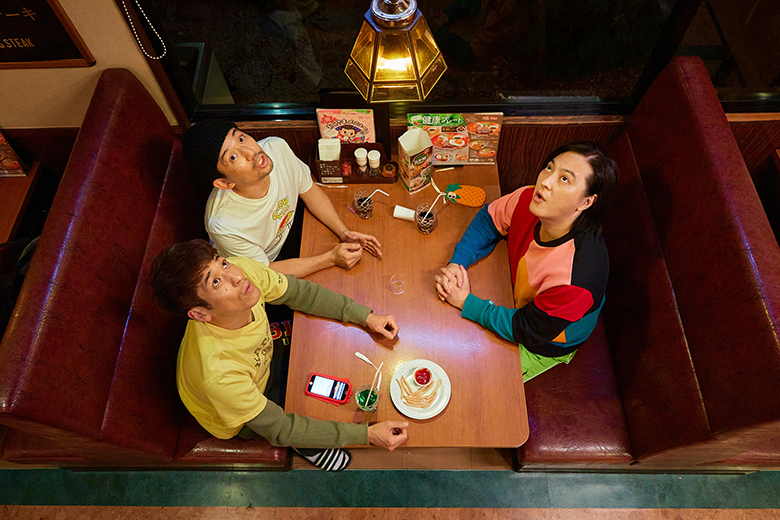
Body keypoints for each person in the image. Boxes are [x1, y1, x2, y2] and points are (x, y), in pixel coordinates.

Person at [151, 239, 408, 471]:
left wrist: (366, 316)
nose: (236, 276)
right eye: (216, 282)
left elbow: (299, 293)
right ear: (199, 314)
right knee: (302, 417)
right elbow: (282, 428)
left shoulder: (242, 272)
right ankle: (306, 446)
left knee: (326, 353)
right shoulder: (219, 375)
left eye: (223, 263)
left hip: (263, 354)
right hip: (235, 408)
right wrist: (366, 435)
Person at [434, 141, 616, 382]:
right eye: (549, 168)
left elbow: (528, 329)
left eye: (564, 179)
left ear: (586, 202)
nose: (546, 182)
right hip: (516, 297)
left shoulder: (578, 278)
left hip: (545, 341)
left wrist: (467, 302)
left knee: (467, 379)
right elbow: (490, 219)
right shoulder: (530, 198)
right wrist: (458, 263)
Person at [182, 119, 382, 279]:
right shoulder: (224, 225)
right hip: (270, 265)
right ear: (224, 183)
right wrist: (331, 258)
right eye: (233, 157)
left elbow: (309, 191)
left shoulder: (276, 148)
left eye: (241, 138)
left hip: (295, 229)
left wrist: (344, 232)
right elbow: (266, 273)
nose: (251, 152)